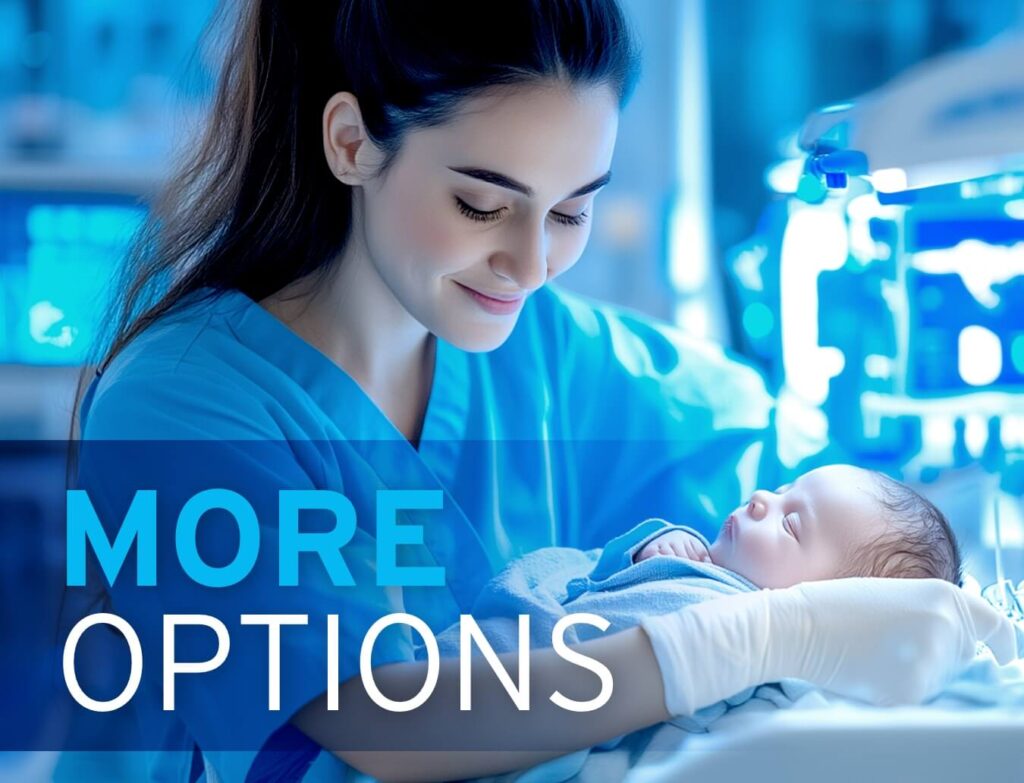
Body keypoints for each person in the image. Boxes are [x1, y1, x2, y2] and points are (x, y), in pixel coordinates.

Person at [74, 1, 1016, 782]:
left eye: (572, 209)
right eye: (483, 205)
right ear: (354, 142)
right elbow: (382, 719)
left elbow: (831, 514)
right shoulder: (178, 407)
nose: (531, 264)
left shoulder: (561, 357)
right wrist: (759, 638)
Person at [634, 464, 961, 587]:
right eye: (783, 490)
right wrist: (648, 552)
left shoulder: (737, 636)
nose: (760, 498)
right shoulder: (695, 561)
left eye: (789, 525)